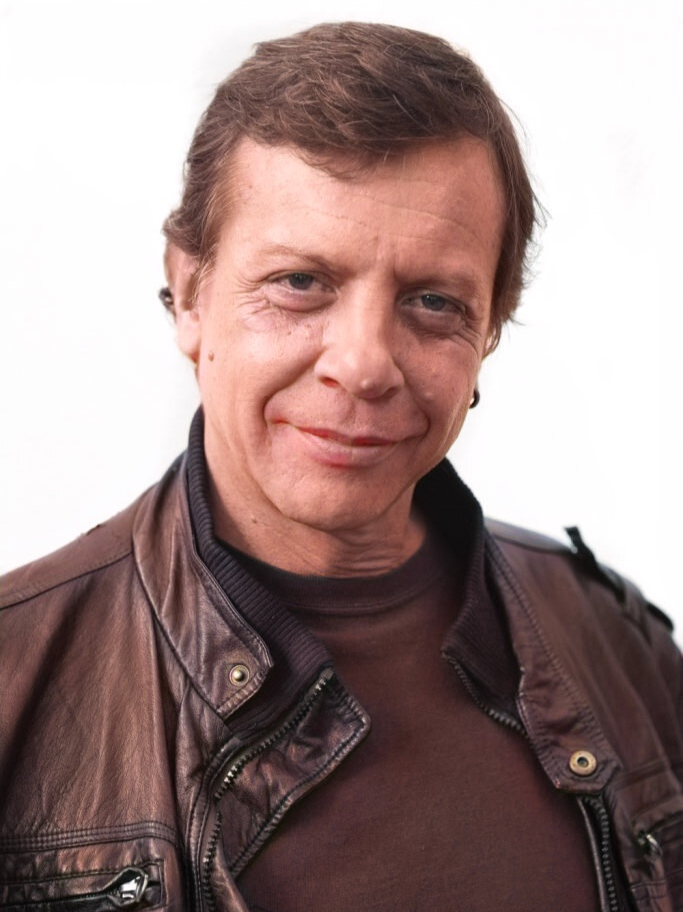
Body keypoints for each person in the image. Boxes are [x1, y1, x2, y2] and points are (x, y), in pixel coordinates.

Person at [0, 20, 681, 912]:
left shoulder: (619, 646)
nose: (362, 366)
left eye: (431, 301)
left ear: (488, 329)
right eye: (300, 283)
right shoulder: (16, 676)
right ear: (191, 292)